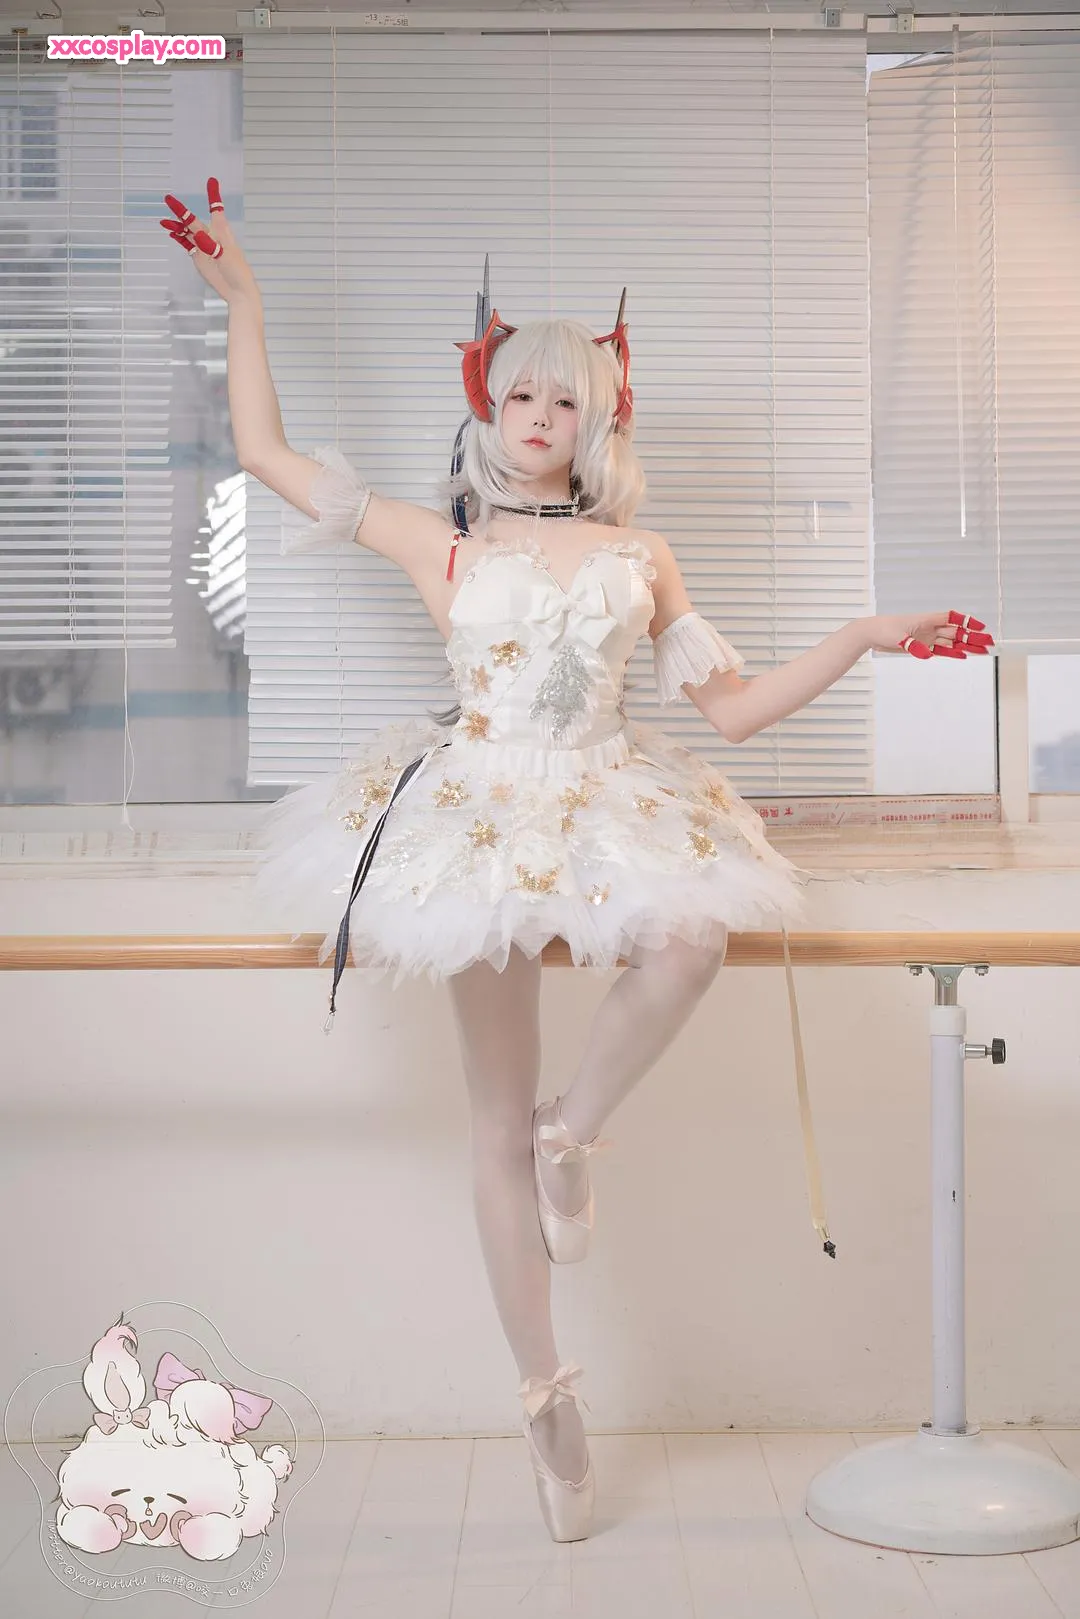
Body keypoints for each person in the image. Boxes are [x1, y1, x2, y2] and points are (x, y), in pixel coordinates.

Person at [160, 180, 994, 1544]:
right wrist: (243, 298)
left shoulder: (640, 555)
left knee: (693, 939)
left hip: (607, 794)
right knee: (485, 1121)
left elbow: (730, 710)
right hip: (477, 812)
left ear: (599, 420)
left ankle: (575, 1129)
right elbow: (264, 451)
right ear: (487, 406)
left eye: (567, 398)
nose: (540, 416)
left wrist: (862, 637)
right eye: (521, 394)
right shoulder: (442, 542)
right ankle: (544, 1392)